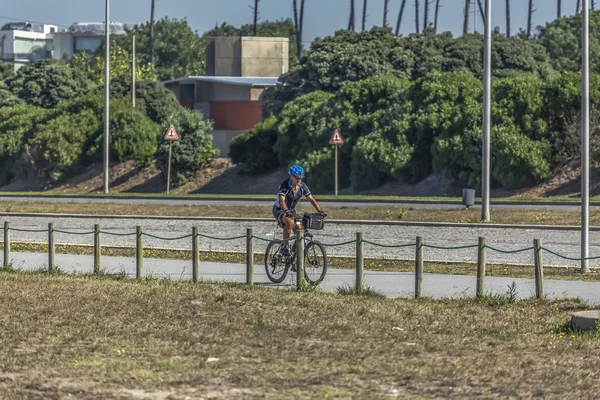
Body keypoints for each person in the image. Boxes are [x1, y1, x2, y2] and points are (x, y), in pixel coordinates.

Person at [272, 164, 325, 256]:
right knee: (289, 221)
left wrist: (320, 211)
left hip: (291, 210)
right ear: (291, 176)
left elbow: (311, 199)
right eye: (297, 178)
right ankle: (284, 246)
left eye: (300, 178)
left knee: (300, 229)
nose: (299, 180)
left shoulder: (302, 186)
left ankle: (296, 253)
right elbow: (281, 201)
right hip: (279, 209)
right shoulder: (284, 185)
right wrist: (286, 211)